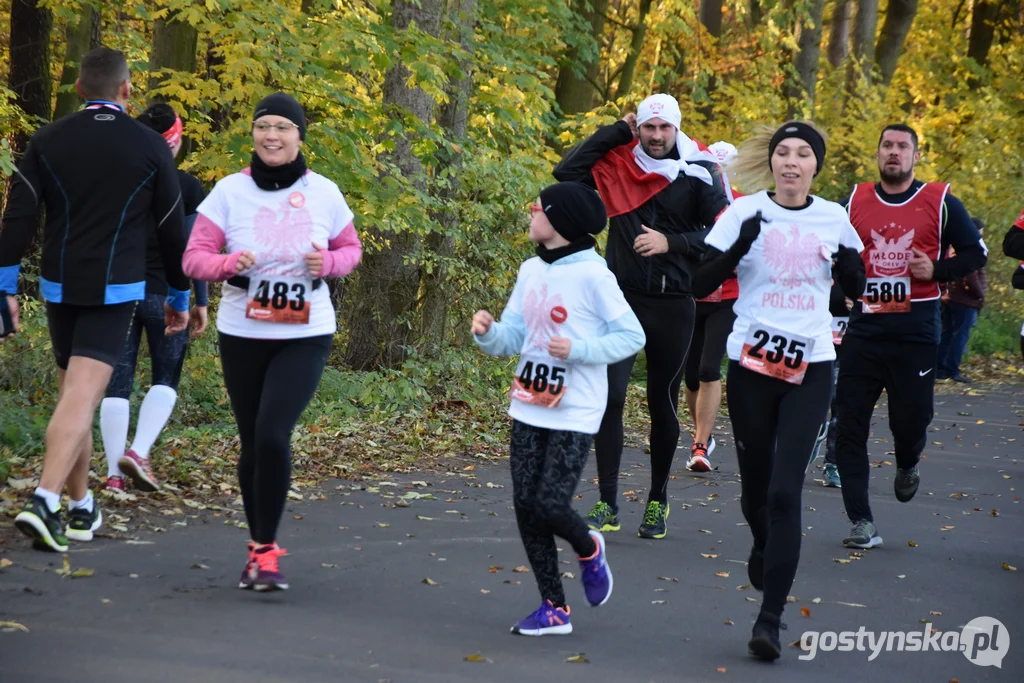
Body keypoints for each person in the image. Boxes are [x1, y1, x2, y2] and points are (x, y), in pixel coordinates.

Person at [0, 48, 190, 552]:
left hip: (59, 285)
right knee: (82, 398)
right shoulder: (150, 147)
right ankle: (44, 500)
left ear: (79, 89)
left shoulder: (46, 140)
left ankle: (82, 506)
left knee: (73, 399)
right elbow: (173, 230)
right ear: (126, 90)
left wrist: (4, 287)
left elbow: (18, 216)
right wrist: (180, 293)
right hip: (117, 288)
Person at [692, 121, 865, 661]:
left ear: (816, 165)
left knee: (787, 491)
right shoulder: (742, 212)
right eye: (783, 153)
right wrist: (739, 247)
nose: (792, 161)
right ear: (772, 163)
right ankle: (763, 542)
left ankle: (770, 617)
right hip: (752, 365)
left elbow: (853, 293)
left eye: (803, 154)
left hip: (811, 364)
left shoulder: (835, 216)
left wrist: (849, 271)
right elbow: (700, 283)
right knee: (756, 491)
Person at [182, 92, 362, 591]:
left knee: (271, 433)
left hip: (306, 332)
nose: (272, 135)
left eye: (283, 126)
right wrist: (225, 265)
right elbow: (193, 257)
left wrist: (326, 264)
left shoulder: (325, 192)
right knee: (251, 443)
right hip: (243, 331)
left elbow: (351, 250)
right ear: (254, 134)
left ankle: (267, 551)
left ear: (300, 136)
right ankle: (259, 548)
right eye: (264, 126)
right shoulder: (228, 192)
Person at [553, 93, 730, 539]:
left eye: (663, 128)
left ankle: (657, 501)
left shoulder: (698, 171)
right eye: (648, 128)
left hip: (673, 304)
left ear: (676, 129)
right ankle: (609, 502)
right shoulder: (619, 164)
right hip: (619, 301)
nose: (655, 137)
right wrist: (617, 130)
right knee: (609, 398)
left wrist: (674, 244)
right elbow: (566, 173)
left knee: (660, 401)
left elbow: (723, 232)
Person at [472, 180, 645, 636]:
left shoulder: (594, 275)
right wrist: (488, 332)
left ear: (560, 221)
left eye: (537, 208)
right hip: (529, 403)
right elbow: (513, 337)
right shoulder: (531, 269)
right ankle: (554, 608)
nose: (530, 213)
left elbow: (632, 336)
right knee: (526, 507)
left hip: (576, 408)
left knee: (551, 504)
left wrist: (580, 349)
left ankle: (589, 548)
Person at [835, 124, 987, 551]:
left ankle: (906, 462)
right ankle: (861, 520)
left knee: (910, 421)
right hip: (864, 328)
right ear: (878, 152)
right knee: (849, 427)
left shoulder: (940, 202)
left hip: (916, 329)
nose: (894, 153)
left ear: (916, 156)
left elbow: (978, 254)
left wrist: (937, 271)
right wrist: (841, 292)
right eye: (887, 145)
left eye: (903, 146)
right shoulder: (853, 201)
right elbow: (831, 254)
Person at [100, 103, 210, 492]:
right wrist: (200, 301)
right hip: (167, 294)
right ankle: (139, 452)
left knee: (117, 384)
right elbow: (192, 249)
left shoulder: (114, 182)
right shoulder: (188, 186)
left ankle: (114, 475)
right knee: (166, 378)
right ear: (175, 142)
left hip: (117, 292)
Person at [684, 141, 741, 472]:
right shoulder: (690, 199)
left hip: (729, 296)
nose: (719, 177)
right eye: (714, 170)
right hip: (693, 295)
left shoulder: (744, 204)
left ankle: (701, 445)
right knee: (690, 376)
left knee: (708, 369)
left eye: (725, 170)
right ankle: (701, 432)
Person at [936, 217, 988, 383]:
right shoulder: (970, 249)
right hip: (965, 300)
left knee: (947, 334)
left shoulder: (952, 246)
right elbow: (971, 276)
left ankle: (941, 369)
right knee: (960, 336)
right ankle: (952, 370)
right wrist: (980, 294)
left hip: (950, 298)